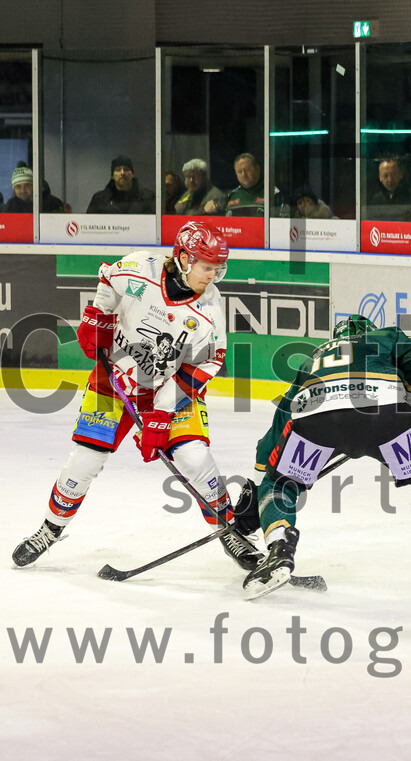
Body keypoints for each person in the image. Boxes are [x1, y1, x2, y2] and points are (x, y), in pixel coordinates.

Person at [11, 220, 261, 572]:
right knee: (83, 461)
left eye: (219, 268)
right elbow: (108, 279)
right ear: (184, 258)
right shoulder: (141, 266)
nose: (213, 275)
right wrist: (96, 318)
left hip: (168, 387)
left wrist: (162, 412)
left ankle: (229, 530)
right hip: (112, 381)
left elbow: (208, 363)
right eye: (207, 267)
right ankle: (49, 530)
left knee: (194, 458)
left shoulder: (209, 308)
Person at [240, 314, 411, 598]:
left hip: (318, 419)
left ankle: (280, 547)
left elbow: (279, 423)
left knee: (280, 487)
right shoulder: (384, 336)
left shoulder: (312, 359)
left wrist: (259, 489)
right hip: (388, 414)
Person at [86, 155, 155, 214]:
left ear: (132, 174)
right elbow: (90, 224)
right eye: (118, 170)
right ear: (112, 176)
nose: (122, 173)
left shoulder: (147, 197)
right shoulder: (100, 199)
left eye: (126, 169)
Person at [224, 152, 285, 217]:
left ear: (257, 169)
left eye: (247, 169)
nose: (244, 174)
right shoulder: (232, 195)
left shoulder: (273, 193)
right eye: (239, 172)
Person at [366, 158, 411, 222]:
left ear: (401, 174)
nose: (390, 180)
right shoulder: (375, 200)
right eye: (385, 176)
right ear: (380, 177)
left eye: (393, 174)